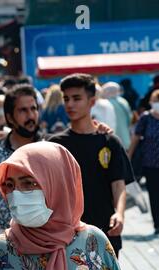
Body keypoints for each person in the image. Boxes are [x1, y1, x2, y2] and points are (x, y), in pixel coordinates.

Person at [0, 141, 130, 270]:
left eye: (28, 183)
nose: (16, 194)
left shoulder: (94, 242)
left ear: (58, 183)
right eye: (9, 185)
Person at [49, 74, 134, 257]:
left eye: (77, 98)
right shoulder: (56, 144)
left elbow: (118, 184)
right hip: (68, 233)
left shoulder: (109, 141)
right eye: (66, 99)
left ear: (92, 102)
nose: (70, 104)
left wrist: (119, 214)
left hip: (106, 230)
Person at [0, 84, 42, 240]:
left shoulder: (49, 147)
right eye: (23, 110)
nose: (31, 115)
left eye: (34, 109)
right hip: (2, 237)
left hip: (42, 236)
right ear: (10, 117)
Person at [128, 89, 159, 235]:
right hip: (150, 163)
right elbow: (136, 137)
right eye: (155, 101)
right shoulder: (146, 118)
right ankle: (157, 223)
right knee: (154, 194)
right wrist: (129, 155)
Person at [102, 82, 132, 150]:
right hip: (125, 138)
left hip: (110, 138)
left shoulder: (104, 103)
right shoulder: (123, 101)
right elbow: (129, 119)